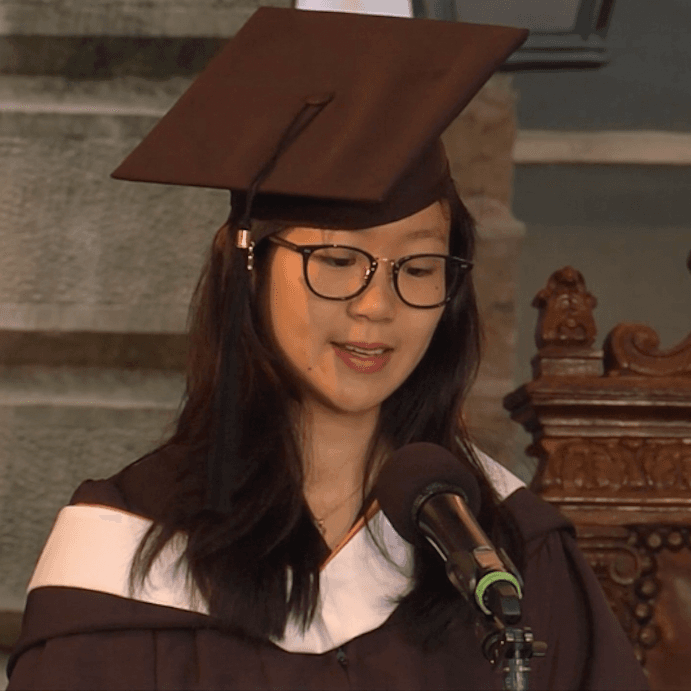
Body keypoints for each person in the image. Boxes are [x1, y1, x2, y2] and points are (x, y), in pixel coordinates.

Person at [6, 7, 648, 690]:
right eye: (337, 259)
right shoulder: (123, 552)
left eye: (419, 267)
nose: (377, 305)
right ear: (246, 269)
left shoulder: (506, 551)